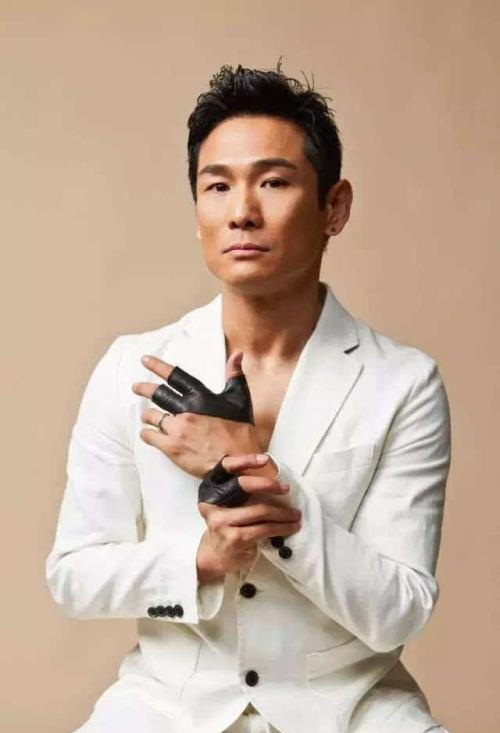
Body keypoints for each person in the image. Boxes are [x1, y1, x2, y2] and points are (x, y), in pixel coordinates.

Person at [45, 62, 453, 733]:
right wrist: (201, 561)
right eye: (217, 186)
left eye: (273, 182)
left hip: (350, 708)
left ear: (334, 207)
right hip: (167, 705)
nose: (241, 211)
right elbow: (74, 576)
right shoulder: (129, 368)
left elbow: (400, 609)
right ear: (197, 211)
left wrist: (258, 479)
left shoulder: (403, 383)